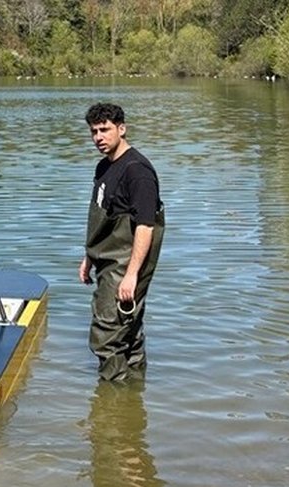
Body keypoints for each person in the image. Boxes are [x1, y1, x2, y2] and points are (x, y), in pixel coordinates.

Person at [78, 103, 166, 380]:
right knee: (128, 332)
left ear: (122, 129)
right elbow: (102, 217)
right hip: (107, 258)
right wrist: (89, 256)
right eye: (94, 132)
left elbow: (145, 226)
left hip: (126, 263)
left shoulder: (137, 172)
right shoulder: (104, 167)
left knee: (106, 335)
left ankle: (111, 412)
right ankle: (132, 401)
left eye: (105, 130)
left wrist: (131, 275)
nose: (98, 138)